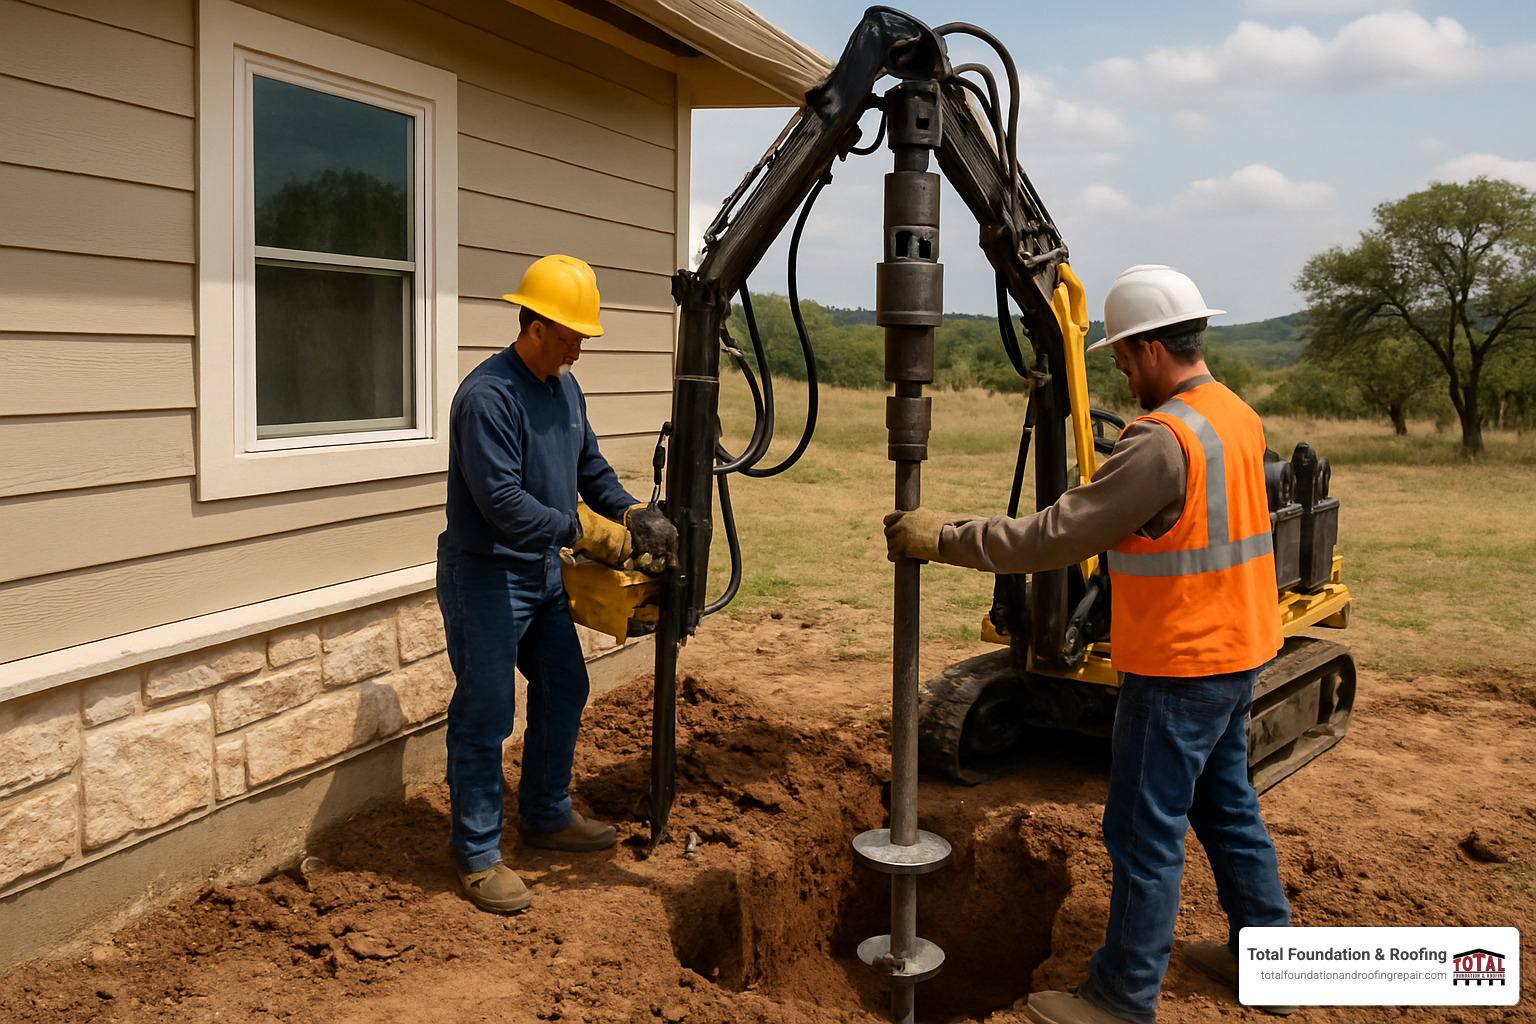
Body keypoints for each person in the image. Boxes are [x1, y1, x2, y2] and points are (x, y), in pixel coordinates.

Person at [884, 265, 1292, 1024]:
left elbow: (1056, 535)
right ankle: (1268, 961)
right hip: (1240, 651)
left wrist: (941, 537)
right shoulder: (1234, 414)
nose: (1121, 373)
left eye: (1122, 358)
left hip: (1178, 668)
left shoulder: (1160, 441)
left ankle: (1121, 997)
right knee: (1228, 810)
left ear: (1148, 350)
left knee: (1142, 830)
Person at [436, 254, 677, 914]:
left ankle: (544, 814)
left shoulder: (563, 390)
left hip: (539, 572)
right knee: (486, 713)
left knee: (565, 685)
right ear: (537, 326)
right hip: (484, 573)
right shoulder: (488, 397)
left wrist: (633, 513)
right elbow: (501, 503)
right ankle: (478, 855)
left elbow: (591, 469)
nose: (581, 347)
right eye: (573, 334)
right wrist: (586, 533)